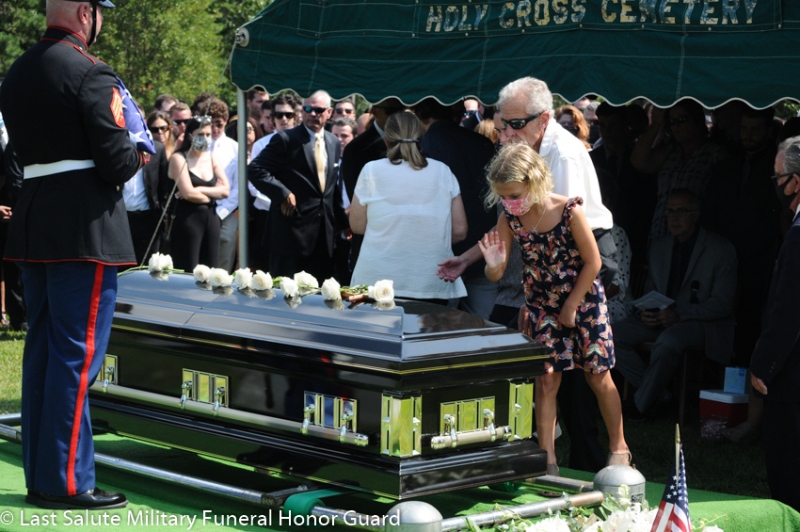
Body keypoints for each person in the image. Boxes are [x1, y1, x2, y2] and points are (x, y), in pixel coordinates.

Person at [0, 0, 145, 510]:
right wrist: (139, 146)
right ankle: (66, 482)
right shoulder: (92, 72)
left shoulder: (18, 71)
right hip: (83, 230)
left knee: (43, 354)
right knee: (76, 358)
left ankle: (43, 475)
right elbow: (117, 162)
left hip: (36, 224)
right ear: (86, 12)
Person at [478, 142, 630, 475]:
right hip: (542, 304)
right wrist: (492, 265)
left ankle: (619, 447)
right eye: (503, 196)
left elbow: (593, 262)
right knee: (546, 380)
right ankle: (547, 458)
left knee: (597, 375)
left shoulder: (569, 210)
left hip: (584, 300)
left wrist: (572, 305)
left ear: (533, 181)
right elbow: (497, 273)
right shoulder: (510, 217)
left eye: (514, 194)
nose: (510, 202)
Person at [613, 189, 736, 418]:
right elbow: (650, 290)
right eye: (669, 212)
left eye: (681, 211)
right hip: (662, 319)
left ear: (696, 214)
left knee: (668, 341)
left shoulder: (720, 249)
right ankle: (661, 395)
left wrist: (679, 314)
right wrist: (647, 312)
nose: (674, 218)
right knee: (610, 336)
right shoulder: (659, 247)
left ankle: (640, 406)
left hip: (700, 322)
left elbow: (722, 304)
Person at [349, 112, 467, 302]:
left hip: (376, 278)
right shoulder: (443, 171)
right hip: (430, 278)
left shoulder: (371, 170)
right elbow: (460, 231)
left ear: (386, 140)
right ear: (421, 138)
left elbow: (357, 226)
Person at [749, 136, 800, 512]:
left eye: (777, 177)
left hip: (793, 374)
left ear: (795, 182)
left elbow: (789, 309)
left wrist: (763, 364)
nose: (775, 185)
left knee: (788, 469)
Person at [248, 90, 346, 280]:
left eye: (319, 110)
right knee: (286, 291)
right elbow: (256, 170)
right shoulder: (286, 139)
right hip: (290, 234)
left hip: (323, 236)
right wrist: (282, 192)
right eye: (308, 109)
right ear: (302, 111)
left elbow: (330, 188)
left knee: (319, 292)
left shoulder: (333, 142)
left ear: (329, 113)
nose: (313, 114)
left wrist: (343, 223)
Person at [414, 97, 496, 318]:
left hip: (447, 254)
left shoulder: (427, 145)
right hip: (484, 248)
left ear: (421, 114)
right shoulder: (481, 142)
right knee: (482, 327)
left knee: (443, 326)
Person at [168, 117, 230, 270]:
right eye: (200, 134)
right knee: (188, 267)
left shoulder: (212, 159)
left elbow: (226, 191)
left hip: (211, 218)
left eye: (208, 135)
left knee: (211, 268)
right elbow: (188, 193)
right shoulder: (179, 158)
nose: (205, 138)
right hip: (188, 219)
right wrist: (212, 195)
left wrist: (199, 190)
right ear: (190, 136)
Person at [218, 117, 262, 272]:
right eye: (240, 130)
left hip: (259, 207)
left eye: (248, 129)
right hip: (238, 207)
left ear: (256, 130)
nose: (245, 134)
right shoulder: (234, 151)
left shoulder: (263, 149)